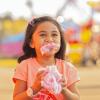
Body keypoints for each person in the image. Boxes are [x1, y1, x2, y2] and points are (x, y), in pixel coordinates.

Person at [13, 16, 80, 100]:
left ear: (61, 40)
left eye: (54, 34)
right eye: (43, 35)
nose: (49, 39)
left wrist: (63, 89)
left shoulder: (67, 68)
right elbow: (16, 98)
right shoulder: (25, 66)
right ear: (31, 42)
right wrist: (34, 88)